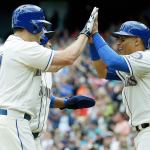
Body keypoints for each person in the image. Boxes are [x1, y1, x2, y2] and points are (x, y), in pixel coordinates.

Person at [0, 4, 98, 150]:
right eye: (41, 27)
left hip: (15, 121)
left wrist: (66, 103)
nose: (43, 34)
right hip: (14, 120)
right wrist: (86, 31)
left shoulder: (13, 47)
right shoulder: (22, 47)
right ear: (33, 26)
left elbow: (56, 66)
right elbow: (69, 57)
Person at [89, 16, 150, 150]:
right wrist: (93, 43)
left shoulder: (146, 57)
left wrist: (95, 34)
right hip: (142, 132)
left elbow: (113, 61)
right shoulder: (134, 64)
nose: (118, 43)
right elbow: (102, 72)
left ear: (137, 41)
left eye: (123, 39)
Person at [30, 33, 95, 150]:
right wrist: (85, 35)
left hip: (34, 136)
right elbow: (67, 59)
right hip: (18, 129)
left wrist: (66, 103)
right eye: (46, 41)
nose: (50, 44)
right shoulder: (29, 66)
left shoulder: (46, 72)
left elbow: (41, 98)